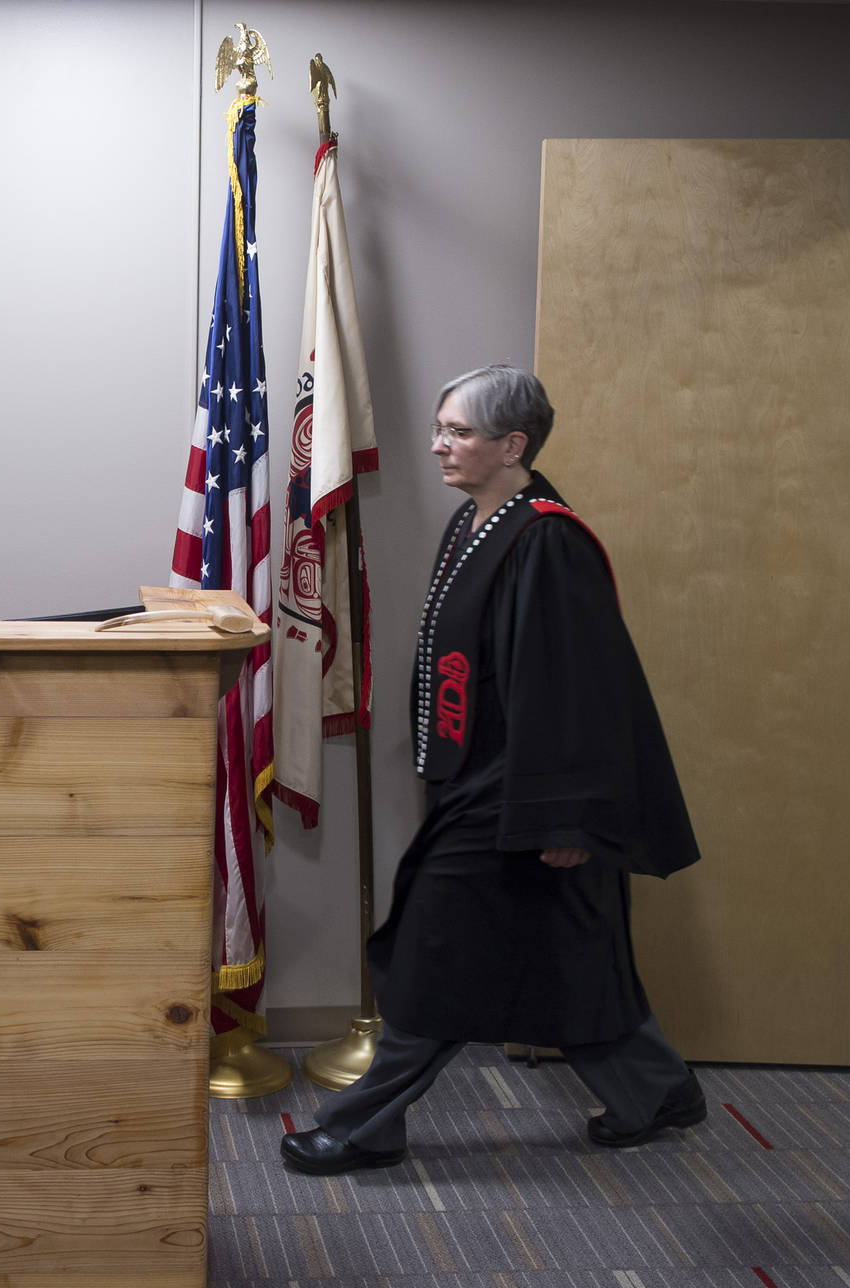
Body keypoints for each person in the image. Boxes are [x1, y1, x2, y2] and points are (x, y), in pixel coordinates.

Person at [282, 363, 706, 1176]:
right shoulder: (478, 522)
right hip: (478, 786)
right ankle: (656, 1093)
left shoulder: (548, 540)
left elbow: (574, 692)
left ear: (513, 445)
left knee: (433, 956)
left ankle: (365, 1126)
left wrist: (566, 818)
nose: (439, 445)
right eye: (440, 428)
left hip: (522, 796)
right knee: (571, 954)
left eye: (459, 432)